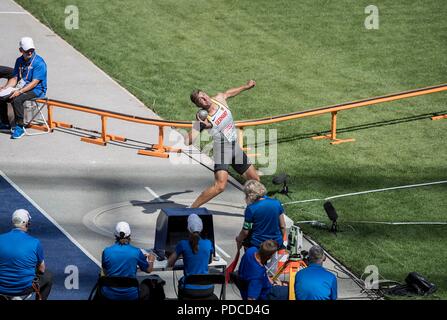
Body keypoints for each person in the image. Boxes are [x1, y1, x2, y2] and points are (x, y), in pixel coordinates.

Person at [184, 80, 260, 208]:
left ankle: (252, 209)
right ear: (198, 105)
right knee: (220, 186)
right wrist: (199, 125)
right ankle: (192, 208)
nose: (204, 99)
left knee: (256, 181)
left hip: (235, 147)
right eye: (200, 100)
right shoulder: (203, 117)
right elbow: (188, 141)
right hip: (222, 151)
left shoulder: (219, 99)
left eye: (204, 95)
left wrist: (246, 86)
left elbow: (228, 93)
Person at [0, 37, 47, 139]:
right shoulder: (19, 60)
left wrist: (19, 91)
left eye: (31, 50)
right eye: (27, 51)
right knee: (1, 96)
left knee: (17, 99)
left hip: (37, 90)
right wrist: (6, 88)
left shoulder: (39, 62)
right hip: (22, 87)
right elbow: (15, 78)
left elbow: (34, 83)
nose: (30, 53)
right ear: (21, 50)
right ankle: (5, 123)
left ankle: (20, 127)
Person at [0, 209, 53, 300]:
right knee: (48, 276)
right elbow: (42, 269)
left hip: (2, 287)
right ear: (27, 223)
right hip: (24, 288)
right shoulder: (35, 242)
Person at [101, 221, 156, 300]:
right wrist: (150, 260)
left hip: (109, 294)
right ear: (129, 235)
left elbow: (106, 272)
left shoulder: (106, 251)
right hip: (131, 295)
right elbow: (149, 270)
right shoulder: (136, 252)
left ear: (115, 235)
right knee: (147, 287)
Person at [167, 214, 214, 298]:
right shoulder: (208, 243)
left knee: (181, 281)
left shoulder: (182, 244)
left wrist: (181, 255)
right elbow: (209, 261)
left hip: (190, 288)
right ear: (201, 228)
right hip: (207, 288)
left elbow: (170, 263)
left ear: (188, 229)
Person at [236, 180, 286, 250]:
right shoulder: (277, 203)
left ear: (249, 194)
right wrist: (283, 241)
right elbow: (282, 226)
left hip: (258, 245)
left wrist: (239, 239)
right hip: (276, 243)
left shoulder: (251, 209)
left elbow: (245, 231)